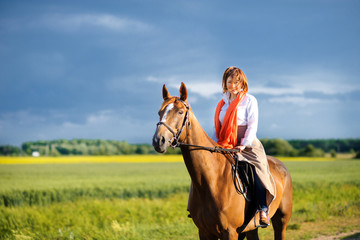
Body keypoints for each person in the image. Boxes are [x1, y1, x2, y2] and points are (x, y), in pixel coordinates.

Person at [213, 66, 275, 226]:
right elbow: (217, 128)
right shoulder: (222, 103)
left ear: (242, 84)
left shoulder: (249, 100)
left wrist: (244, 144)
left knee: (257, 169)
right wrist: (213, 145)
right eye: (229, 82)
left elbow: (252, 126)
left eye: (236, 82)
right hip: (225, 142)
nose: (233, 85)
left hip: (247, 143)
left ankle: (262, 209)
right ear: (224, 82)